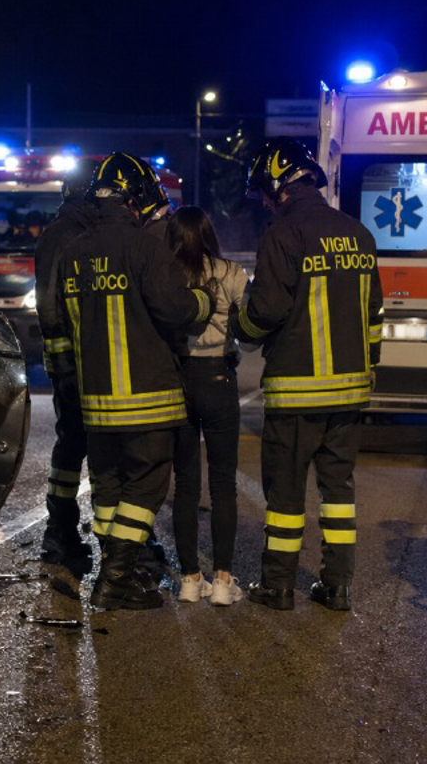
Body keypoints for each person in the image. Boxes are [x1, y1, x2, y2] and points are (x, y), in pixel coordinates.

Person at [48, 152, 213, 610]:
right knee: (145, 486)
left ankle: (112, 573)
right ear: (136, 199)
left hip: (96, 402)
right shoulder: (144, 247)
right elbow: (175, 310)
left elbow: (63, 320)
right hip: (148, 398)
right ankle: (115, 579)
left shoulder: (74, 252)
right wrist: (204, 301)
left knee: (107, 486)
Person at [232, 139, 382, 612]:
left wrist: (241, 328)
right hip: (350, 395)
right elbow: (373, 314)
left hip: (297, 393)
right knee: (338, 494)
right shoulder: (358, 233)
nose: (263, 204)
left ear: (279, 187)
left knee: (286, 492)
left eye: (264, 194)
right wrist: (368, 368)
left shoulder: (283, 235)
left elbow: (267, 310)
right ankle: (336, 586)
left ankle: (277, 585)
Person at [164, 206, 249, 605]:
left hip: (179, 378)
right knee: (223, 484)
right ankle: (223, 580)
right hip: (218, 377)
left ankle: (188, 579)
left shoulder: (166, 273)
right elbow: (247, 331)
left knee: (185, 484)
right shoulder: (231, 272)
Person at [34, 162, 100, 573]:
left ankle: (60, 530)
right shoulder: (75, 234)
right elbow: (57, 306)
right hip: (79, 361)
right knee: (85, 444)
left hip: (67, 360)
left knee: (70, 445)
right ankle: (61, 531)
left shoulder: (58, 230)